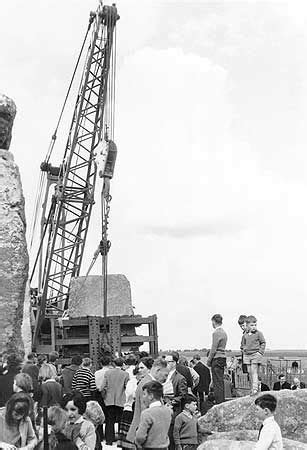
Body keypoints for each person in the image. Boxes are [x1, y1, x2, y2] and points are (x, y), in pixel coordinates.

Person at [126, 357, 169, 446]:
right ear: (158, 370)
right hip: (145, 437)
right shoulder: (147, 385)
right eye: (165, 375)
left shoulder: (147, 382)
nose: (166, 379)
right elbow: (145, 411)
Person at [100, 357, 129, 446]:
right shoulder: (125, 374)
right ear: (123, 364)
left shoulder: (108, 373)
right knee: (120, 420)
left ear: (114, 364)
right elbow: (126, 387)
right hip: (121, 399)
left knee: (109, 420)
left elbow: (102, 387)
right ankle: (120, 440)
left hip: (109, 399)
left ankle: (109, 440)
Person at [135, 381, 172, 449]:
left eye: (144, 394)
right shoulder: (168, 411)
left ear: (151, 396)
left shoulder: (147, 413)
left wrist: (138, 443)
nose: (143, 397)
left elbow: (140, 437)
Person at [164, 354, 188, 450]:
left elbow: (183, 395)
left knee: (171, 438)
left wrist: (170, 403)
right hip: (162, 410)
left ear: (174, 363)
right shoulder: (163, 376)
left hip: (173, 412)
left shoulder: (180, 378)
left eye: (168, 362)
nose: (166, 364)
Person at [241, 315, 266, 395]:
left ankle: (255, 388)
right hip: (247, 355)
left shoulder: (259, 334)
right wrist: (243, 350)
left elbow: (263, 343)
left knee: (254, 371)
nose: (254, 327)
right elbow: (242, 344)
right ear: (247, 325)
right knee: (249, 372)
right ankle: (252, 388)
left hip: (255, 354)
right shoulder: (245, 335)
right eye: (252, 325)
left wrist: (260, 352)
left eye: (255, 325)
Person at [207, 314, 228, 404]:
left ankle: (219, 402)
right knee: (220, 382)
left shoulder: (216, 333)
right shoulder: (224, 333)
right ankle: (221, 401)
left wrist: (208, 360)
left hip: (216, 358)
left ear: (214, 322)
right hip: (222, 358)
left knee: (216, 383)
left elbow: (213, 348)